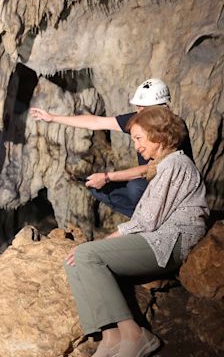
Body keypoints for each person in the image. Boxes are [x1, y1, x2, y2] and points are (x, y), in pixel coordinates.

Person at [63, 106, 208, 357]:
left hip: (171, 242)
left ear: (159, 137)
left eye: (139, 138)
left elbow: (147, 221)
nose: (137, 146)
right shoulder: (162, 166)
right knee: (73, 262)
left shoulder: (176, 164)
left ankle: (135, 335)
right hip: (157, 239)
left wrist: (104, 241)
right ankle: (111, 338)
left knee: (86, 254)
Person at [29, 78, 193, 217]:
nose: (138, 111)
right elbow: (96, 122)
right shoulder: (139, 120)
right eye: (138, 108)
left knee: (135, 187)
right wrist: (52, 118)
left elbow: (150, 169)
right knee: (97, 187)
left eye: (142, 108)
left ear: (158, 108)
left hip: (171, 187)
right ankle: (143, 220)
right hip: (149, 184)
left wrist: (108, 176)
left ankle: (153, 221)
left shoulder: (172, 128)